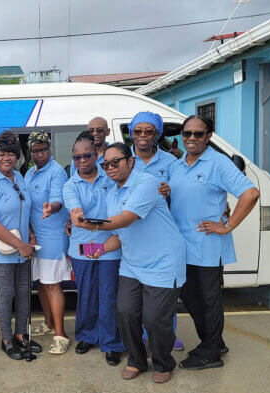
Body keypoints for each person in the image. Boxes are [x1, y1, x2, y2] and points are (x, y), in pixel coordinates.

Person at [74, 143, 186, 384]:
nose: (110, 168)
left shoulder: (146, 183)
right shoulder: (113, 193)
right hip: (132, 263)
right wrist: (100, 248)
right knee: (125, 312)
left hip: (163, 262)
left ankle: (163, 361)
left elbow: (126, 219)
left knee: (155, 317)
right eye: (106, 164)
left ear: (131, 161)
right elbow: (119, 235)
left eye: (116, 162)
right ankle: (136, 360)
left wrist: (91, 225)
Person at [169, 115, 260, 370]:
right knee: (190, 297)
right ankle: (214, 342)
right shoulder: (179, 165)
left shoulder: (218, 163)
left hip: (207, 245)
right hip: (183, 246)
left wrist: (228, 226)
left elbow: (250, 193)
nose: (192, 138)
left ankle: (210, 353)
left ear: (208, 136)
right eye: (187, 133)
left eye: (198, 134)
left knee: (208, 300)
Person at [63, 131, 124, 366]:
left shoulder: (111, 179)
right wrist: (78, 216)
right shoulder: (71, 185)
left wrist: (90, 222)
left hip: (110, 246)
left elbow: (118, 210)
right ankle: (87, 336)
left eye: (86, 156)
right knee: (87, 294)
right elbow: (76, 213)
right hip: (82, 248)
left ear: (95, 155)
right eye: (77, 158)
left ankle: (111, 343)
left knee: (109, 295)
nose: (82, 161)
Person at [0, 131, 41, 360]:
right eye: (2, 153)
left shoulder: (19, 177)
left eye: (11, 154)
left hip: (23, 248)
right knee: (6, 295)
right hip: (2, 251)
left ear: (18, 156)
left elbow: (24, 211)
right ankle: (6, 339)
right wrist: (20, 245)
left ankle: (21, 335)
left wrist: (31, 236)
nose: (7, 158)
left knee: (24, 292)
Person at [128, 111, 184, 352]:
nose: (143, 136)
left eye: (148, 131)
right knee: (138, 292)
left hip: (163, 237)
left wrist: (170, 190)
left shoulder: (171, 162)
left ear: (157, 134)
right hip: (134, 235)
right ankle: (141, 334)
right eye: (138, 131)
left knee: (165, 292)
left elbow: (182, 193)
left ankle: (167, 335)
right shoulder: (124, 160)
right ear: (131, 134)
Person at [23, 131, 71, 355]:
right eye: (35, 150)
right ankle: (49, 323)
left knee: (52, 285)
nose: (40, 154)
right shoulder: (31, 172)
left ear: (49, 149)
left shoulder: (56, 171)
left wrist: (52, 207)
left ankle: (60, 335)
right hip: (35, 238)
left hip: (52, 237)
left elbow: (58, 199)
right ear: (30, 152)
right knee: (41, 284)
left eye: (43, 150)